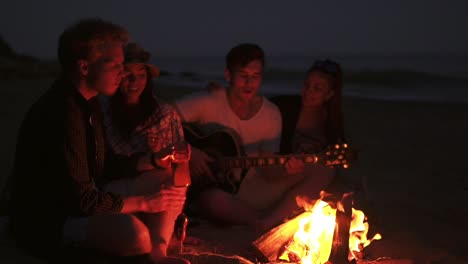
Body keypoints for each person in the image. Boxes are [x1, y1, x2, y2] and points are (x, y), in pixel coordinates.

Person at [7, 19, 188, 264]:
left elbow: (106, 165)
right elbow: (83, 200)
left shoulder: (90, 103)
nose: (123, 73)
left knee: (165, 178)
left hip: (88, 200)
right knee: (136, 237)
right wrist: (144, 203)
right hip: (54, 220)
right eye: (114, 65)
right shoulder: (63, 112)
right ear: (84, 67)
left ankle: (159, 253)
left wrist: (155, 159)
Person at [175, 43, 304, 227]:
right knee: (214, 201)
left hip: (248, 186)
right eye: (243, 76)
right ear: (228, 75)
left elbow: (268, 170)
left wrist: (285, 168)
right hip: (207, 190)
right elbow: (162, 117)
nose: (250, 83)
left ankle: (269, 218)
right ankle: (266, 222)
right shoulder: (210, 100)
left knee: (321, 169)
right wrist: (189, 151)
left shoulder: (271, 113)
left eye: (255, 76)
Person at [100, 42, 191, 263]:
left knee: (171, 178)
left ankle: (159, 250)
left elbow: (182, 176)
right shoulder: (102, 113)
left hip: (155, 194)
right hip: (114, 191)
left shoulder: (165, 114)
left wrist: (181, 159)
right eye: (128, 75)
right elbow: (104, 167)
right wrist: (150, 160)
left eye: (141, 75)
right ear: (117, 76)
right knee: (135, 236)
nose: (134, 82)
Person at [261, 59, 347, 230]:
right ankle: (269, 223)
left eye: (317, 89)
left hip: (301, 184)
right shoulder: (284, 106)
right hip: (274, 173)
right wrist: (223, 94)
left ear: (330, 94)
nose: (308, 92)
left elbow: (336, 160)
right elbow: (253, 105)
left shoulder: (331, 124)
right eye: (306, 85)